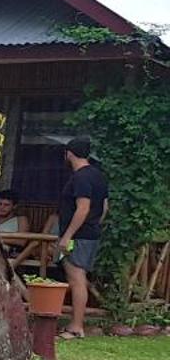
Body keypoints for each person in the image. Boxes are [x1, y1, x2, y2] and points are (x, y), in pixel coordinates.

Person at [52, 136, 109, 340]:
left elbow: (82, 208)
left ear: (69, 153)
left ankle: (76, 326)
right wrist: (94, 226)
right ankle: (75, 324)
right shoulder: (98, 176)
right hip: (90, 233)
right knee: (78, 277)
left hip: (78, 235)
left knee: (76, 278)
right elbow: (103, 208)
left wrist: (67, 235)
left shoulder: (81, 177)